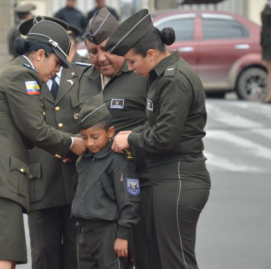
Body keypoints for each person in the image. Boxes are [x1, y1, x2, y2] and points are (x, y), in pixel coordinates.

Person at [0, 19, 86, 269]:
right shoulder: (22, 75)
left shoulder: (14, 72)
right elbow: (36, 130)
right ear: (39, 54)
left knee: (6, 253)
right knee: (1, 254)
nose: (55, 70)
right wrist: (72, 144)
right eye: (56, 63)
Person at [106, 9, 211, 269]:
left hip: (179, 178)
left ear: (150, 54)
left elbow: (165, 136)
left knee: (178, 262)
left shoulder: (173, 80)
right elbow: (157, 124)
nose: (130, 68)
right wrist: (134, 133)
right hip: (169, 177)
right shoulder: (160, 75)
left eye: (132, 61)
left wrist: (132, 139)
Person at [78, 10, 152, 268]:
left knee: (140, 257)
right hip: (93, 199)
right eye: (92, 51)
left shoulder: (141, 76)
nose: (100, 58)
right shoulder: (82, 79)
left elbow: (158, 126)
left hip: (133, 185)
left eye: (106, 49)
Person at [18, 17, 86, 269]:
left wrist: (80, 147)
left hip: (76, 176)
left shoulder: (82, 73)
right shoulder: (21, 78)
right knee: (44, 254)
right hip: (40, 178)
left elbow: (94, 119)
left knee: (75, 254)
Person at [71, 94, 140, 269]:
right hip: (84, 230)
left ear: (110, 132)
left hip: (108, 232)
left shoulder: (118, 160)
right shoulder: (84, 159)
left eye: (95, 137)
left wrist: (123, 235)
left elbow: (129, 200)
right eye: (84, 137)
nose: (89, 143)